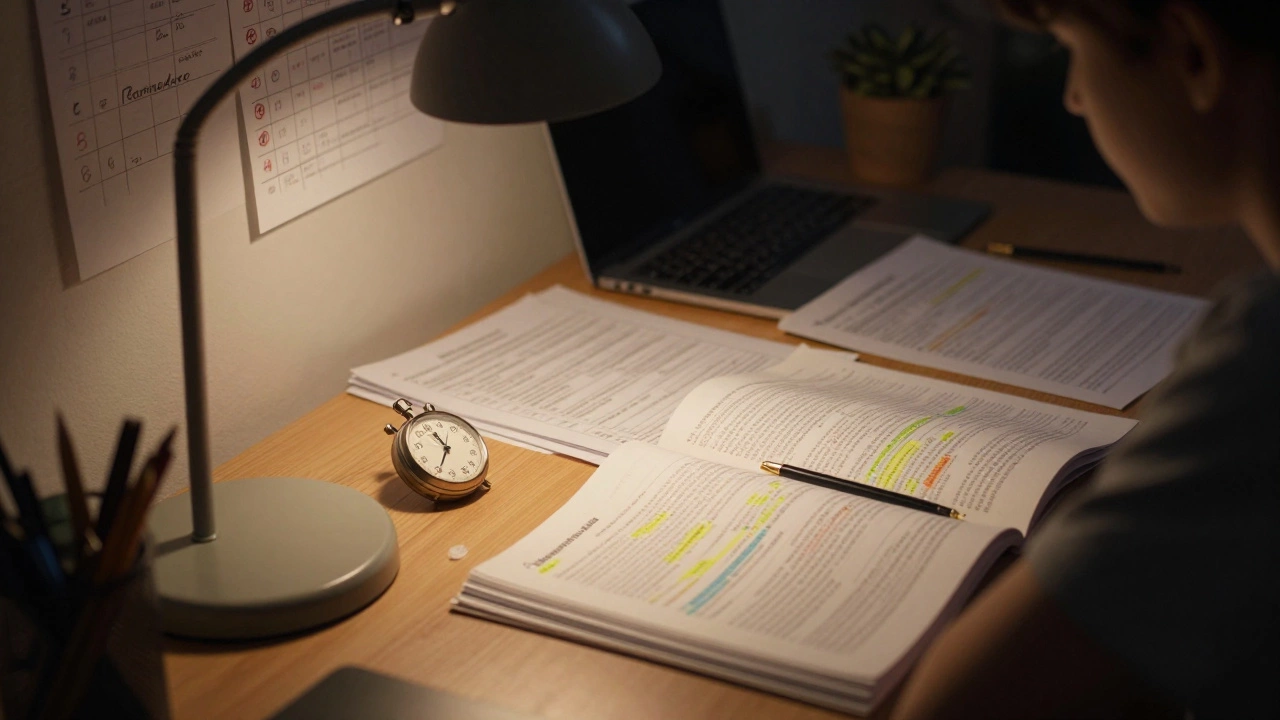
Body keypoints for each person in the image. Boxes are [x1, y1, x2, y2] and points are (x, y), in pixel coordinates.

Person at [890, 1, 1280, 718]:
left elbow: (956, 708)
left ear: (1192, 53)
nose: (1072, 96)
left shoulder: (1263, 366)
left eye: (1073, 50)